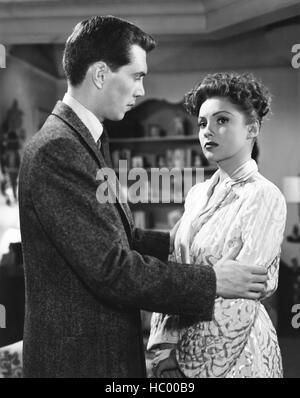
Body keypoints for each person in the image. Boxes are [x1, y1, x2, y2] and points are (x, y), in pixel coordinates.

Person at [18, 17, 268, 378]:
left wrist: (189, 241)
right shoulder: (59, 148)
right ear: (101, 74)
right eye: (136, 76)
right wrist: (212, 280)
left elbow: (122, 239)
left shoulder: (82, 140)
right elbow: (112, 269)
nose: (141, 90)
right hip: (81, 362)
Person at [148, 72, 287, 378]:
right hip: (178, 346)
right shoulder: (197, 194)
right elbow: (175, 269)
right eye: (202, 123)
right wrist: (163, 350)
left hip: (235, 354)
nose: (208, 130)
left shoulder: (263, 196)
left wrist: (185, 364)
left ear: (252, 128)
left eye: (222, 120)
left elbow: (242, 297)